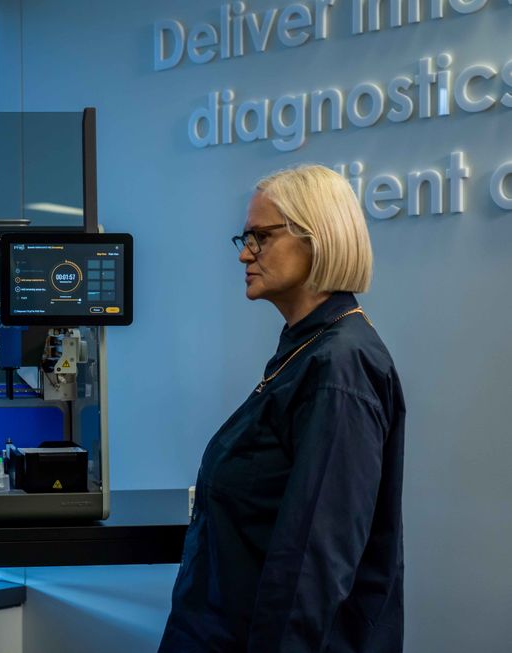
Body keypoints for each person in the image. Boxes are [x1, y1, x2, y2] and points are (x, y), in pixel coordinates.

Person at [159, 165, 405, 652]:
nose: (245, 253)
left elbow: (313, 559)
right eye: (244, 238)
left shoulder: (339, 365)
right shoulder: (305, 351)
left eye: (261, 237)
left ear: (317, 238)